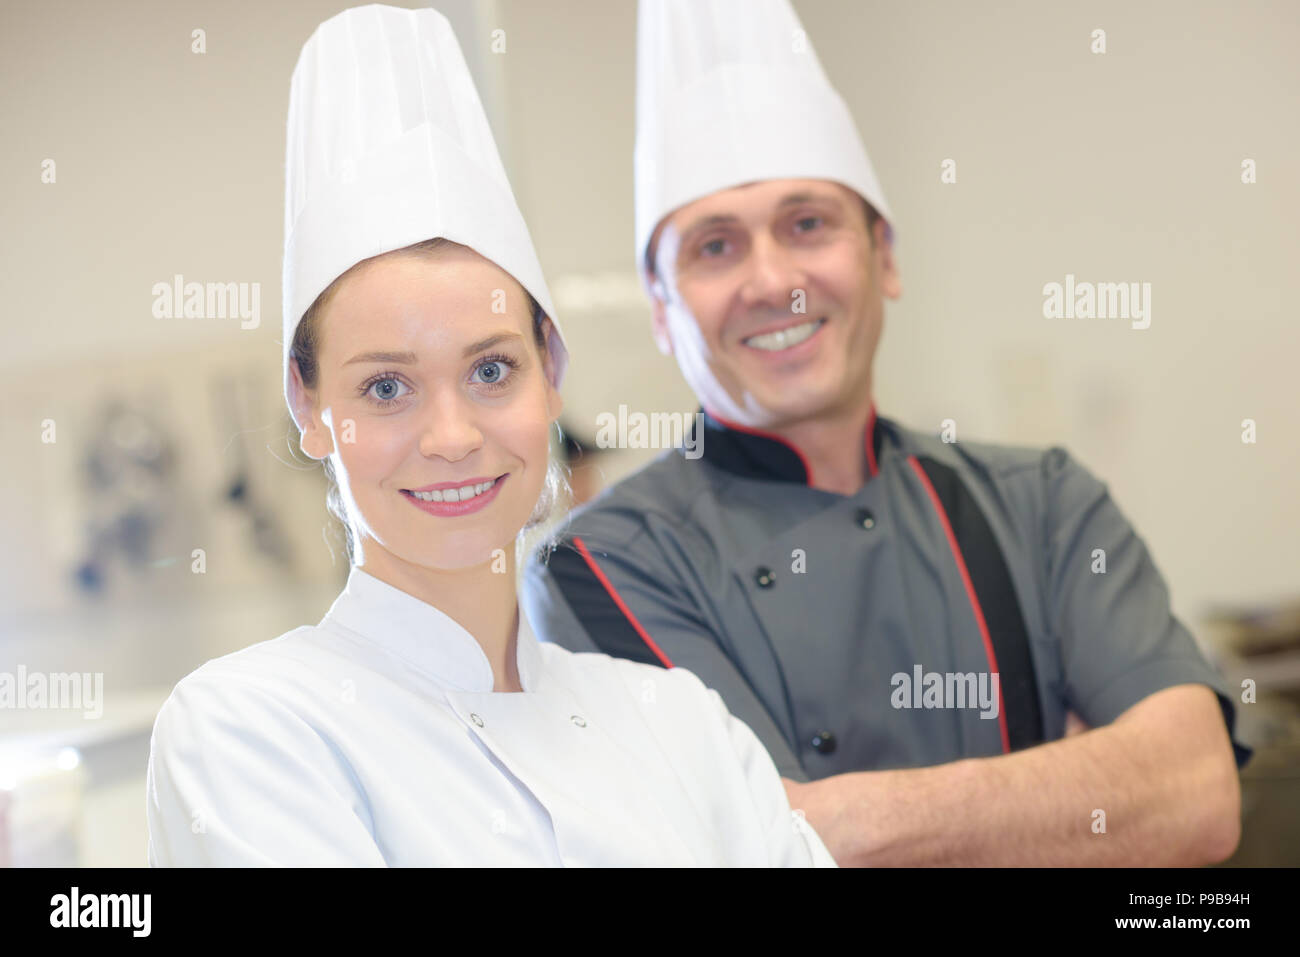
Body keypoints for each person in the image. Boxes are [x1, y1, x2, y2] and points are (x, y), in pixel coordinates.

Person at [521, 0, 1252, 866]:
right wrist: (1079, 782)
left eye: (808, 224)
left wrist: (830, 818)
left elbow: (1197, 793)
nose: (775, 282)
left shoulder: (1045, 502)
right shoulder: (601, 567)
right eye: (714, 247)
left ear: (885, 255)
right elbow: (750, 849)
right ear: (661, 308)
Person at [145, 4, 835, 868]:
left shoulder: (682, 723)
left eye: (491, 370)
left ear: (552, 372)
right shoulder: (249, 729)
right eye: (386, 386)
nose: (451, 435)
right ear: (310, 408)